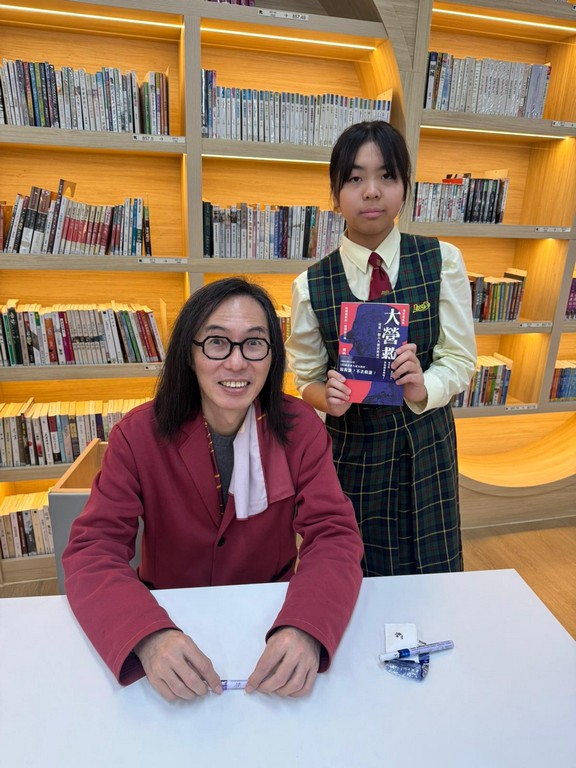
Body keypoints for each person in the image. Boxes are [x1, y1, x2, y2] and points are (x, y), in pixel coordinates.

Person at [63, 277, 363, 703]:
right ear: (189, 353)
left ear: (272, 356)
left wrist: (307, 626)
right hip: (168, 615)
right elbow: (93, 549)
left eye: (254, 343)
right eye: (217, 343)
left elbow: (333, 536)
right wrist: (146, 635)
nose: (237, 363)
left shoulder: (301, 429)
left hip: (272, 616)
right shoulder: (137, 435)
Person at [285, 120, 477, 577]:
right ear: (335, 194)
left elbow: (459, 358)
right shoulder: (310, 285)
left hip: (426, 443)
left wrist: (424, 385)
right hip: (352, 450)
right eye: (355, 178)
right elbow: (305, 377)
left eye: (386, 176)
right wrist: (326, 397)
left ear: (405, 187)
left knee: (432, 568)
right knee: (353, 568)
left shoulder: (441, 260)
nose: (371, 191)